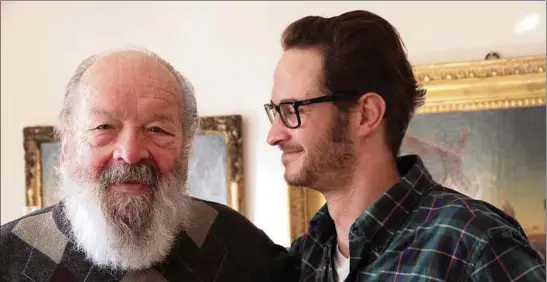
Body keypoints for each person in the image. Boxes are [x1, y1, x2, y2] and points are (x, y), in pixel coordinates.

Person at [264, 10, 546, 282]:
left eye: (291, 110)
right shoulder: (306, 257)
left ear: (366, 115)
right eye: (275, 111)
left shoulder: (474, 246)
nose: (273, 135)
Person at [1, 48, 287, 281]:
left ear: (186, 145)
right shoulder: (8, 256)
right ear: (66, 142)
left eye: (157, 130)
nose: (131, 152)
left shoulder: (236, 244)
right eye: (103, 126)